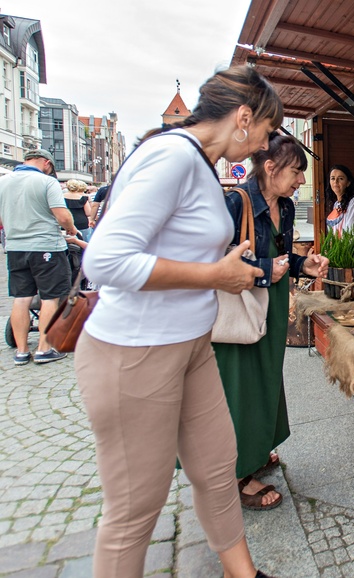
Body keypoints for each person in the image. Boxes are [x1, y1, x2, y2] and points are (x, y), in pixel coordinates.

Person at [75, 65, 283, 578]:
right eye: (265, 130)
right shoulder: (172, 156)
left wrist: (224, 270)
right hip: (136, 352)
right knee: (134, 512)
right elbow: (103, 262)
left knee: (217, 470)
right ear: (242, 116)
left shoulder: (194, 160)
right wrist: (215, 274)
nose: (263, 145)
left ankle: (246, 575)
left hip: (191, 346)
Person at [215, 133, 329, 510]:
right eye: (296, 171)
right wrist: (266, 271)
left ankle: (257, 449)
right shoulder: (235, 202)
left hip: (273, 303)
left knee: (266, 377)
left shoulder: (287, 206)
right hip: (242, 306)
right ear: (270, 167)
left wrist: (302, 264)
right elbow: (212, 262)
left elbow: (283, 257)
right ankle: (237, 475)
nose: (300, 180)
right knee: (241, 386)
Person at [0, 148, 77, 366]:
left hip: (15, 247)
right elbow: (62, 215)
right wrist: (71, 229)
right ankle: (44, 348)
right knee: (49, 297)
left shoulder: (4, 181)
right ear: (46, 163)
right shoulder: (46, 182)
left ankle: (22, 351)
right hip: (46, 246)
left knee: (21, 298)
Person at [325, 164, 354, 234]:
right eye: (333, 178)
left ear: (348, 183)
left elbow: (350, 232)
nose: (335, 182)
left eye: (340, 178)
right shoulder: (336, 204)